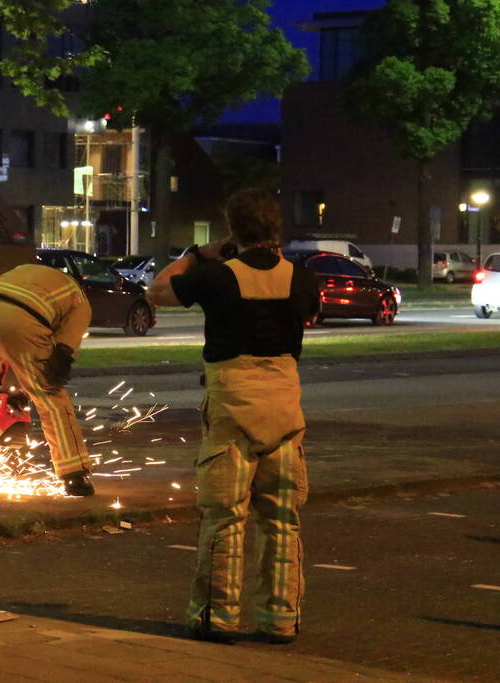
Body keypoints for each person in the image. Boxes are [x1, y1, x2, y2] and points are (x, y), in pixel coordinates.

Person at [146, 188, 321, 645]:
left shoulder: (220, 277)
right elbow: (310, 311)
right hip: (285, 401)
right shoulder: (301, 278)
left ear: (232, 229)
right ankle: (280, 617)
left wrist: (193, 255)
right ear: (276, 229)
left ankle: (216, 615)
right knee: (282, 516)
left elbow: (158, 290)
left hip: (232, 400)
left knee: (224, 514)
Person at [0, 263, 95, 497]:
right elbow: (60, 356)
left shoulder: (27, 273)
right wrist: (38, 383)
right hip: (23, 321)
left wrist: (20, 387)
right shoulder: (80, 300)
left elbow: (10, 347)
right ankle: (74, 476)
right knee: (50, 397)